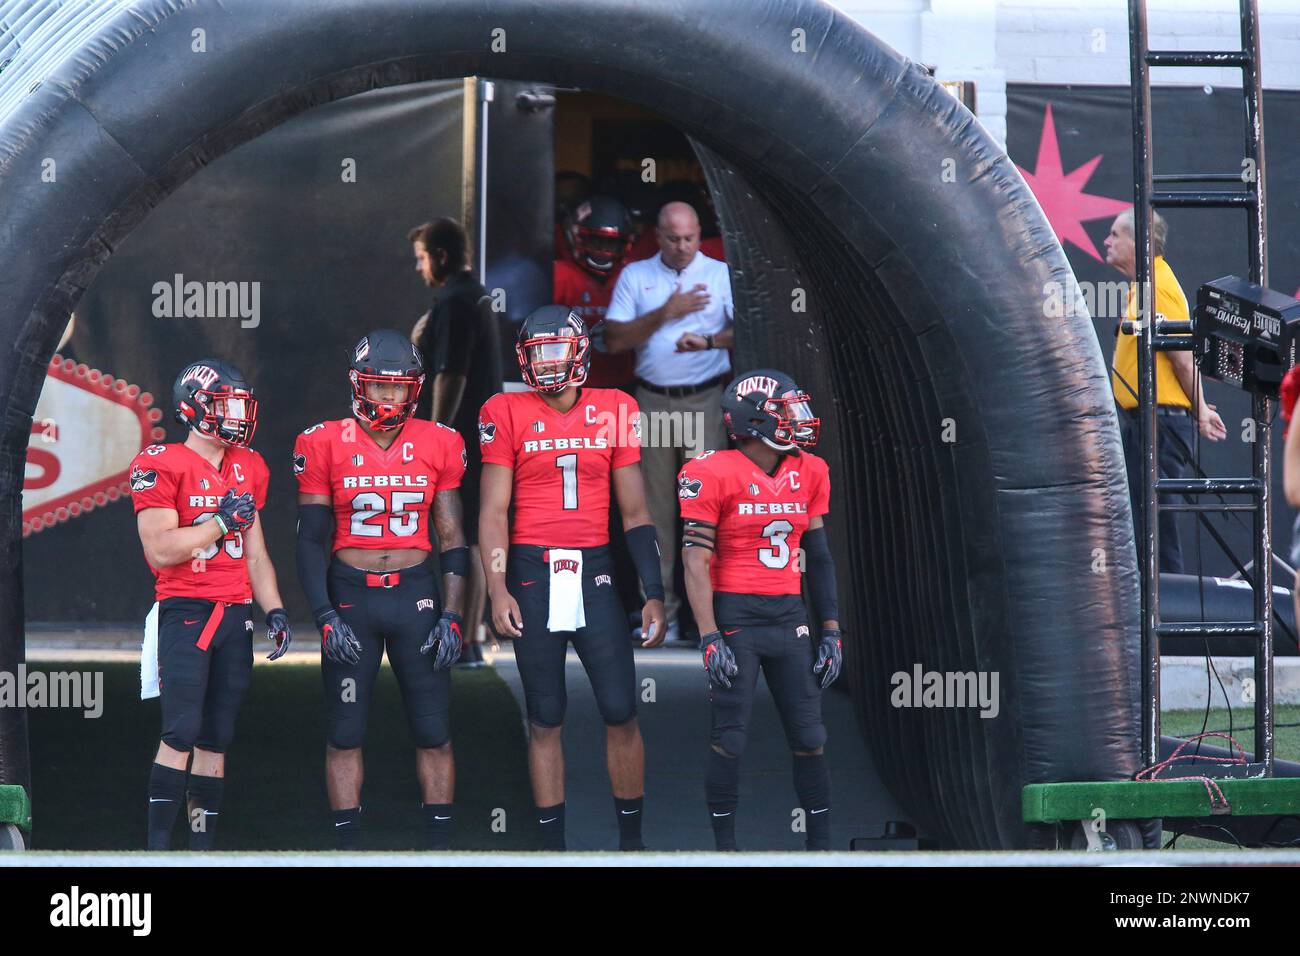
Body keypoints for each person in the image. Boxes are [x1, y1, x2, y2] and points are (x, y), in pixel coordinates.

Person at [478, 305, 667, 850]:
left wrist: (652, 591)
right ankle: (551, 849)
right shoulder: (505, 410)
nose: (547, 363)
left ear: (580, 353)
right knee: (544, 717)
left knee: (620, 709)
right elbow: (493, 511)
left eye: (556, 350)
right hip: (534, 570)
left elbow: (636, 512)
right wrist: (497, 586)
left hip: (596, 570)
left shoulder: (615, 407)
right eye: (537, 353)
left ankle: (632, 844)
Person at [294, 330, 468, 850]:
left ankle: (438, 849)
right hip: (351, 595)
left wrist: (454, 614)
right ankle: (349, 848)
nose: (390, 399)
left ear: (414, 390)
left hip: (416, 593)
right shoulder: (322, 441)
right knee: (345, 731)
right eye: (380, 387)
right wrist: (324, 614)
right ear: (359, 386)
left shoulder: (440, 441)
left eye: (399, 389)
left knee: (434, 729)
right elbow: (310, 540)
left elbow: (453, 537)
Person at [677, 370, 843, 851]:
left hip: (790, 618)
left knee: (811, 735)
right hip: (736, 619)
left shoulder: (810, 470)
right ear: (754, 421)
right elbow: (695, 559)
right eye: (785, 411)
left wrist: (830, 629)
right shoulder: (710, 472)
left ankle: (822, 850)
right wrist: (709, 636)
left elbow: (821, 557)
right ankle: (725, 850)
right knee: (730, 737)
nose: (798, 420)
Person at [129, 359, 291, 851]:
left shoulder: (248, 466)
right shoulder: (160, 462)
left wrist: (275, 609)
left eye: (240, 403)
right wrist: (219, 523)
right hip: (185, 610)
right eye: (226, 404)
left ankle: (201, 852)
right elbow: (160, 549)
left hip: (236, 612)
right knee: (181, 729)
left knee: (216, 737)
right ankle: (157, 851)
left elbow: (258, 553)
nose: (237, 414)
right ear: (193, 406)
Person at [604, 200, 734, 643]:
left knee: (705, 510)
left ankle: (709, 620)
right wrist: (668, 311)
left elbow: (753, 327)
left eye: (690, 238)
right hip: (654, 401)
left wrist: (711, 340)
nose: (682, 247)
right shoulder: (638, 276)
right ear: (657, 236)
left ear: (700, 234)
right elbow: (614, 339)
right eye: (673, 239)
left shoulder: (718, 273)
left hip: (704, 399)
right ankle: (662, 615)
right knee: (653, 511)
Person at [1105, 208, 1227, 572]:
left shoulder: (1156, 285)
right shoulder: (1144, 285)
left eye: (1114, 234)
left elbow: (1183, 356)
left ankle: (1166, 611)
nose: (1106, 241)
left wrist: (1201, 410)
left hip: (1160, 424)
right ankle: (1156, 608)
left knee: (1156, 526)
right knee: (1146, 524)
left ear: (1138, 240)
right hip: (1146, 422)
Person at [409, 218, 500, 666]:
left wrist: (435, 433)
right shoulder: (473, 295)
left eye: (423, 259)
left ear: (441, 256)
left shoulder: (457, 301)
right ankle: (471, 638)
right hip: (479, 440)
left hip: (461, 443)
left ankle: (464, 640)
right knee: (471, 541)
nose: (420, 269)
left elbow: (451, 373)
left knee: (458, 540)